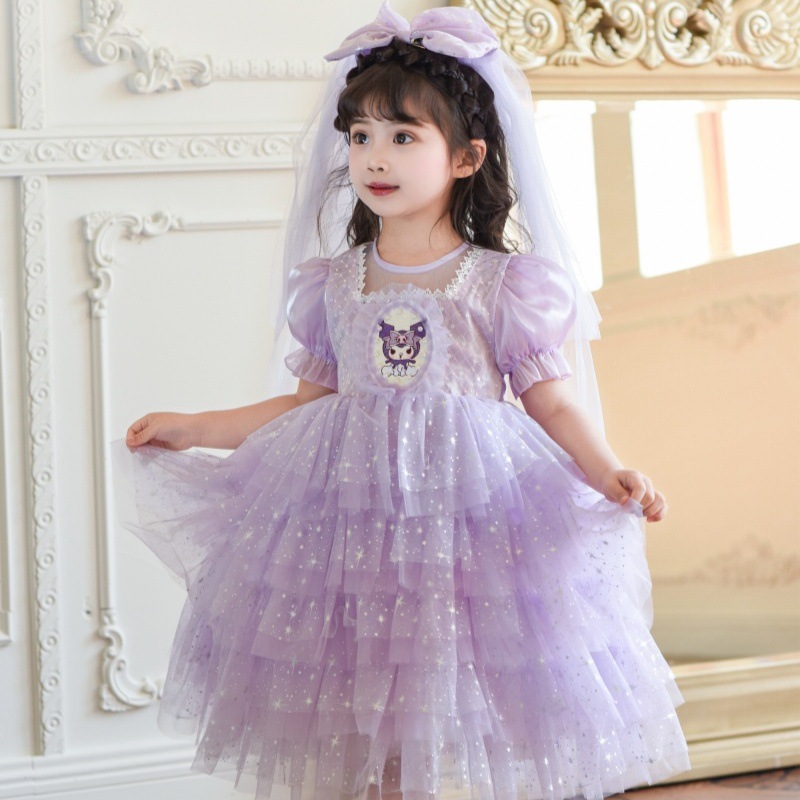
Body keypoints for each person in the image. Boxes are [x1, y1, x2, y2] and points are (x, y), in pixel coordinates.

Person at [110, 4, 690, 799]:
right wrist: (194, 427)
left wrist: (607, 470)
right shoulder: (333, 283)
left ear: (466, 157)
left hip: (467, 520)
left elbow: (551, 404)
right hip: (347, 526)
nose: (374, 157)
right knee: (357, 703)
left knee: (449, 694)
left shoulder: (504, 284)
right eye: (360, 136)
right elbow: (304, 404)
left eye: (404, 136)